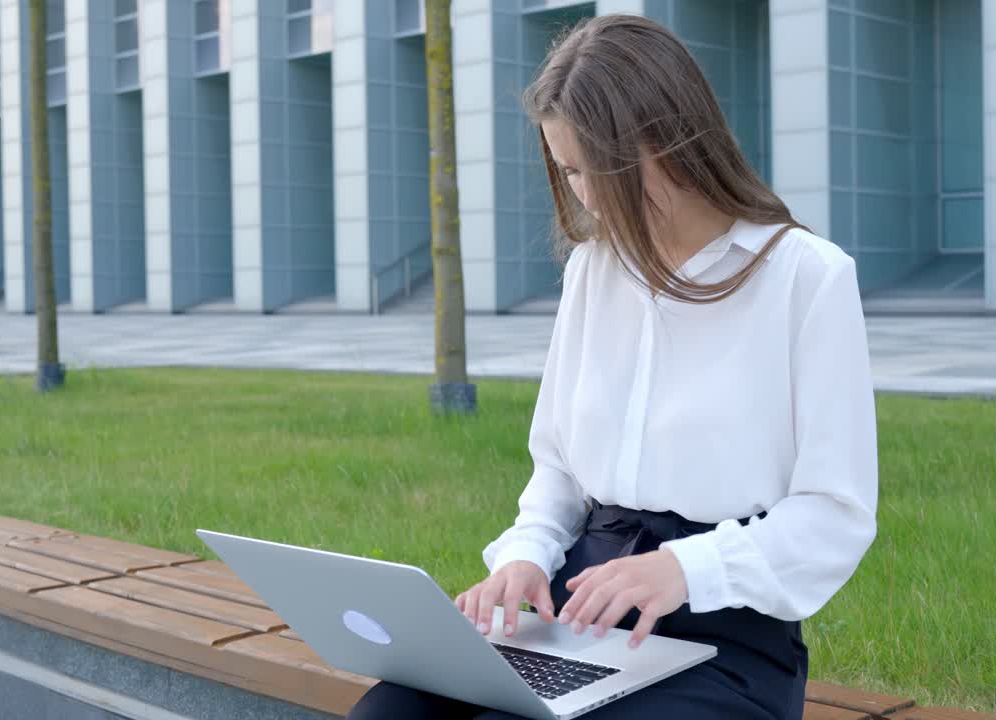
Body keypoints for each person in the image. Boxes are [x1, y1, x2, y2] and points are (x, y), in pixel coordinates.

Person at [348, 12, 878, 720]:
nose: (586, 196)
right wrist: (524, 559)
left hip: (722, 633)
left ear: (673, 138)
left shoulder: (805, 278)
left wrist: (685, 569)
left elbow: (834, 515)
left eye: (598, 170)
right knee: (391, 712)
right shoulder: (594, 273)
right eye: (568, 171)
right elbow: (559, 472)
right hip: (582, 607)